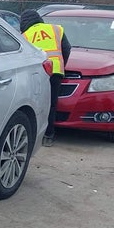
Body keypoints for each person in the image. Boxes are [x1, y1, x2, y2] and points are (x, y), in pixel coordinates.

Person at [20, 9, 71, 146]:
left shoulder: (24, 35)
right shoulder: (56, 29)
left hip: (37, 74)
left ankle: (34, 134)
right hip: (55, 71)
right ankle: (48, 135)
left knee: (34, 104)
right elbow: (66, 48)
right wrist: (61, 65)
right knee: (52, 104)